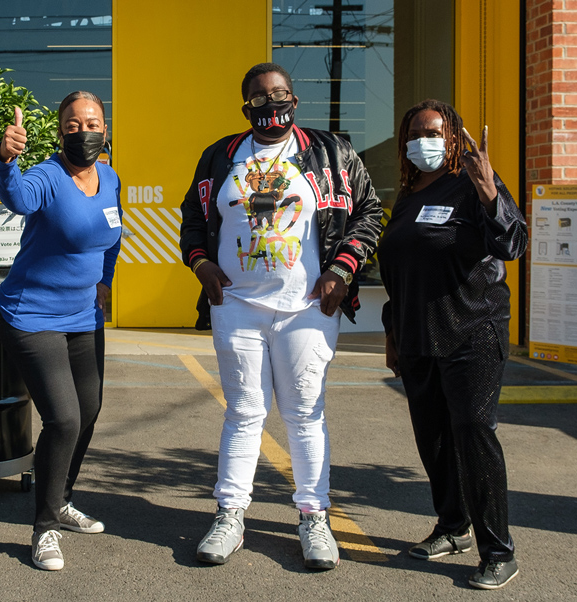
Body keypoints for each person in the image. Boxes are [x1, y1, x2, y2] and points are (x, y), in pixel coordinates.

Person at [179, 63, 384, 570]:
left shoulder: (331, 152)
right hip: (238, 308)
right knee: (244, 414)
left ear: (294, 98)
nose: (273, 103)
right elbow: (191, 218)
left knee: (304, 415)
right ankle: (231, 515)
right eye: (261, 97)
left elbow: (370, 212)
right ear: (245, 105)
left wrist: (342, 268)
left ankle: (314, 517)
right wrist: (201, 263)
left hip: (308, 309)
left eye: (282, 93)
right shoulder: (220, 156)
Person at [378, 99, 527, 590]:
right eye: (416, 133)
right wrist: (392, 332)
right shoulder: (408, 193)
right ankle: (451, 527)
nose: (425, 140)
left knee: (473, 434)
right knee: (434, 439)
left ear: (454, 137)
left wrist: (489, 194)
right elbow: (399, 271)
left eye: (435, 131)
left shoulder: (472, 183)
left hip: (472, 333)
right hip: (419, 337)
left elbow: (512, 243)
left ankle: (498, 551)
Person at [0, 92, 121, 571]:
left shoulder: (109, 177)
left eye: (91, 122)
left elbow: (115, 234)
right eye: (72, 124)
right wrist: (7, 159)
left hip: (83, 316)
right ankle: (43, 528)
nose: (82, 131)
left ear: (104, 129)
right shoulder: (47, 175)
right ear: (60, 131)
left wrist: (105, 280)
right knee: (63, 419)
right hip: (31, 314)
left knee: (88, 410)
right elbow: (17, 197)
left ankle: (61, 498)